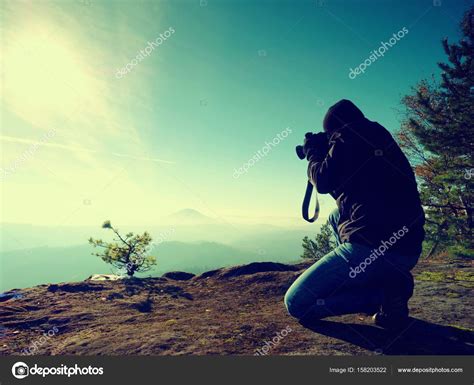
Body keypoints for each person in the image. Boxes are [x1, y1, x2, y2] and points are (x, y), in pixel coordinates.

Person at [284, 99, 425, 329]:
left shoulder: (347, 136)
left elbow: (322, 180)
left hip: (374, 246)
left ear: (335, 130)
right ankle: (386, 281)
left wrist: (312, 154)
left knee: (297, 304)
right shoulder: (378, 136)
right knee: (335, 217)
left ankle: (381, 294)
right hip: (407, 251)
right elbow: (347, 193)